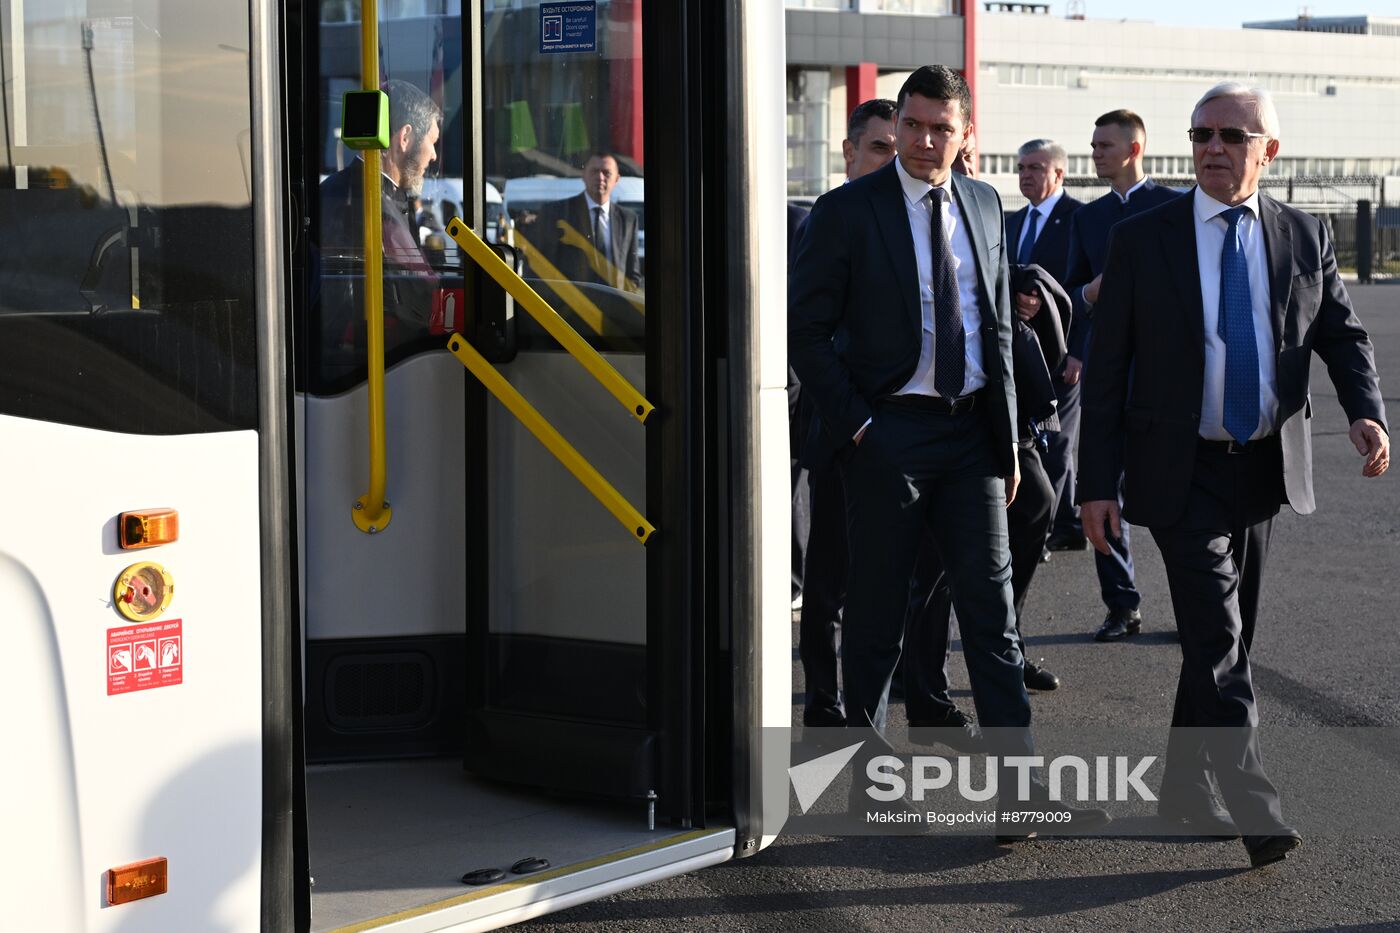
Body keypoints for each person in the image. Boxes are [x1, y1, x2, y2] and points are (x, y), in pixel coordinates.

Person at [1078, 82, 1389, 867]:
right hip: (1178, 469)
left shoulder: (1303, 233)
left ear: (1268, 151)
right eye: (1202, 133)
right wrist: (1095, 482)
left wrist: (1367, 409)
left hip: (1261, 466)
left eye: (1231, 135)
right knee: (1219, 638)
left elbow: (1341, 333)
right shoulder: (1145, 238)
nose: (1213, 147)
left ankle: (1184, 784)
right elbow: (1108, 368)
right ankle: (1255, 802)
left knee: (1227, 633)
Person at [792, 67, 1109, 833]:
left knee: (992, 616)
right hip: (887, 430)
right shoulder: (846, 212)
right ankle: (857, 786)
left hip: (971, 436)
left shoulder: (984, 203)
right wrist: (861, 426)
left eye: (943, 127)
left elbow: (998, 327)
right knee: (874, 614)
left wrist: (1003, 441)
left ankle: (1019, 792)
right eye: (914, 123)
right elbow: (805, 329)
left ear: (966, 134)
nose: (926, 140)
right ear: (897, 124)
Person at [794, 97, 899, 731]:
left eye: (898, 145)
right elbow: (809, 332)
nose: (892, 157)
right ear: (850, 153)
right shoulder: (827, 220)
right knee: (830, 579)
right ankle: (823, 703)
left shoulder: (913, 220)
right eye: (880, 146)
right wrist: (856, 419)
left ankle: (883, 702)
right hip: (841, 432)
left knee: (884, 583)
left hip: (905, 437)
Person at [1062, 109, 1181, 641]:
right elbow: (1067, 298)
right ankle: (1122, 604)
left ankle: (1199, 603)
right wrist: (1092, 292)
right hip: (1107, 381)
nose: (1095, 153)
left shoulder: (1176, 208)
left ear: (1135, 148)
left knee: (1178, 498)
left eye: (1104, 145)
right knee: (1102, 492)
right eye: (1092, 145)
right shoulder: (1087, 220)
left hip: (1166, 379)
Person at [319, 79, 441, 345]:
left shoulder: (333, 190)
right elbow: (416, 301)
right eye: (432, 141)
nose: (433, 155)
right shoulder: (379, 208)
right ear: (405, 137)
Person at [527, 152, 643, 292]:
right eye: (594, 171)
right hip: (571, 307)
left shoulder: (628, 219)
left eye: (606, 173)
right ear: (583, 175)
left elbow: (632, 274)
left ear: (617, 179)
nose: (600, 177)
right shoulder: (557, 213)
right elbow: (539, 265)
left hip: (615, 309)